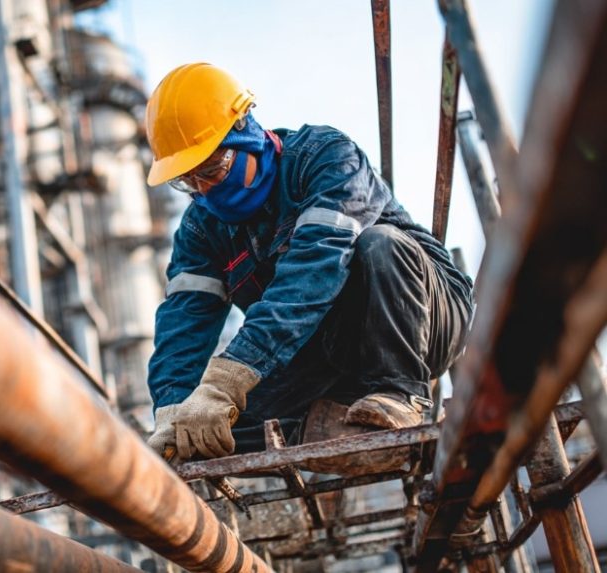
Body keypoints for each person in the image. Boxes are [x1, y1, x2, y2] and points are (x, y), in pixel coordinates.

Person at [144, 63, 474, 463]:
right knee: (204, 434)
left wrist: (230, 375)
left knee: (378, 245)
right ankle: (325, 429)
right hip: (323, 348)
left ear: (247, 135)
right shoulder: (200, 230)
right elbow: (183, 322)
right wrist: (172, 408)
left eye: (213, 170)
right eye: (189, 181)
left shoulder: (325, 157)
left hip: (419, 321)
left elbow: (314, 270)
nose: (204, 190)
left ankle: (399, 394)